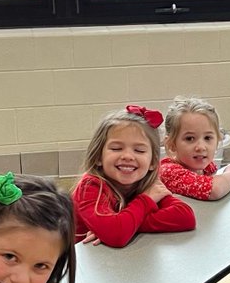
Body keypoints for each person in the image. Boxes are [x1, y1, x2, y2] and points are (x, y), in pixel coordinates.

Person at [72, 105, 196, 247]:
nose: (128, 156)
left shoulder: (147, 183)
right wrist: (144, 202)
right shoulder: (90, 187)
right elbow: (117, 235)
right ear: (98, 156)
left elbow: (185, 217)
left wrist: (126, 224)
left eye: (139, 150)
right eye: (116, 148)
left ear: (153, 162)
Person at [160, 96, 230, 200]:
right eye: (190, 138)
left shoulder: (206, 166)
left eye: (207, 138)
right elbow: (214, 190)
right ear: (172, 144)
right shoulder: (169, 171)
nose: (201, 147)